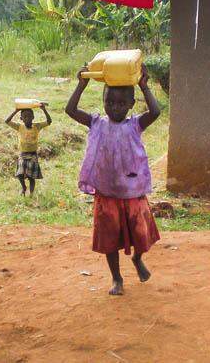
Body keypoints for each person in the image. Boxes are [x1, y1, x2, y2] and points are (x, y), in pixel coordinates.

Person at [65, 64, 161, 295]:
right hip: (107, 194)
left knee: (141, 234)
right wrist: (81, 84)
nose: (114, 108)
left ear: (130, 105)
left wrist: (144, 86)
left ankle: (137, 259)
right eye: (109, 102)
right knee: (109, 239)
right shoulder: (96, 123)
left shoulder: (135, 125)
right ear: (103, 101)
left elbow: (156, 112)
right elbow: (70, 109)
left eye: (120, 104)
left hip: (132, 192)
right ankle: (116, 279)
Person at [5, 104, 52, 196]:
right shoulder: (19, 127)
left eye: (30, 116)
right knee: (19, 174)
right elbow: (7, 121)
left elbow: (49, 121)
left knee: (31, 177)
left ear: (33, 117)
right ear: (21, 118)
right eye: (25, 117)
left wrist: (44, 110)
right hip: (23, 154)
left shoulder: (37, 126)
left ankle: (31, 194)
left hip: (33, 154)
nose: (28, 118)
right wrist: (16, 111)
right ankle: (23, 187)